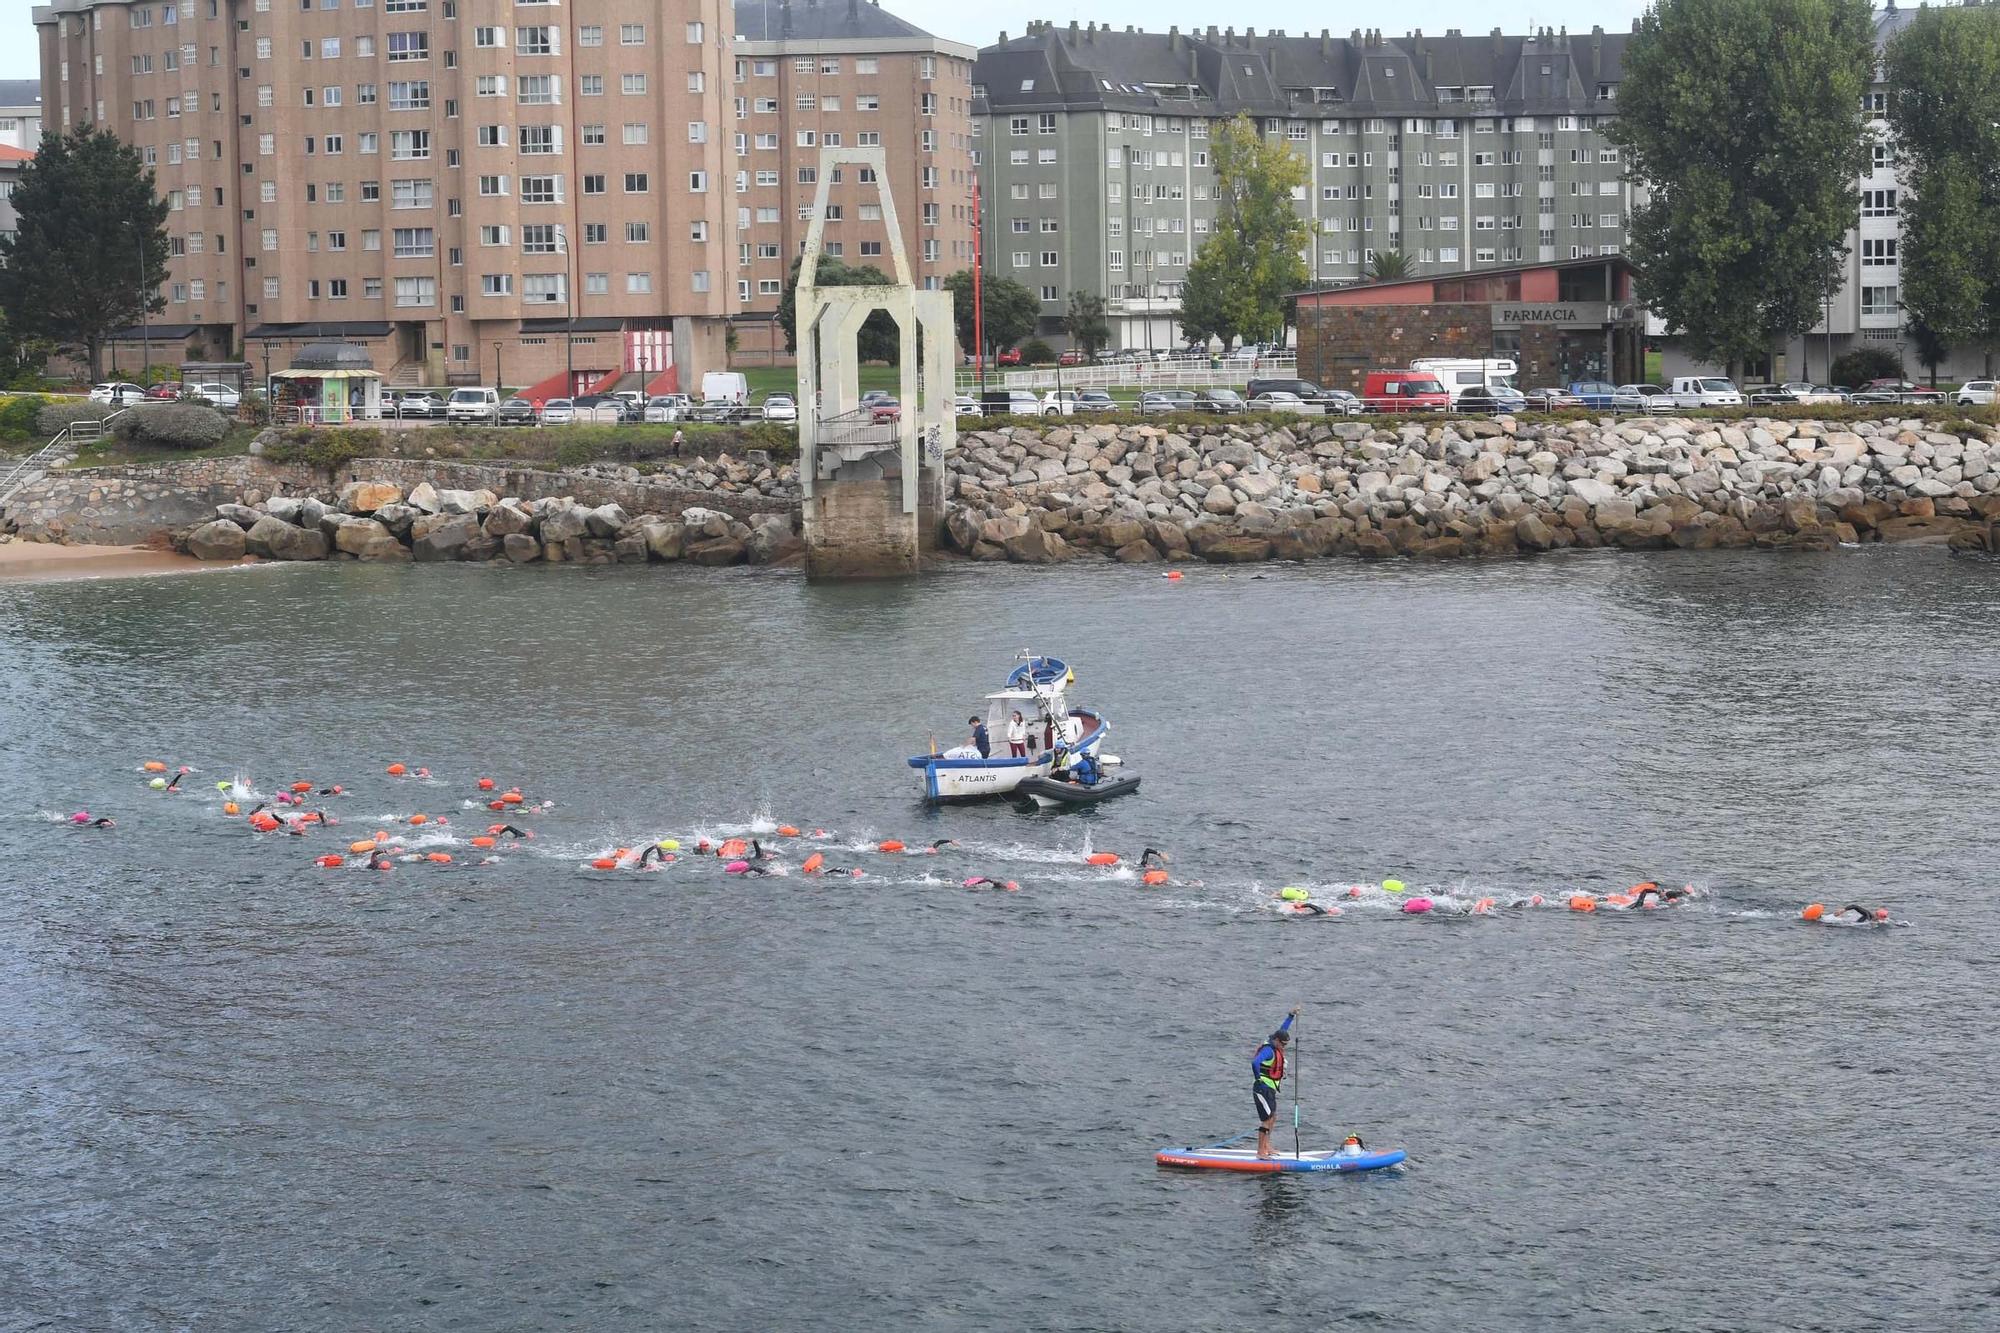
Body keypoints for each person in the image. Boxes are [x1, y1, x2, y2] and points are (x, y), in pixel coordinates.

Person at [1253, 1007, 1300, 1159]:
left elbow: (1283, 1029)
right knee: (1266, 1119)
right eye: (1283, 1045)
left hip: (1270, 1089)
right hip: (1262, 1088)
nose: (1284, 1048)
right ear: (1276, 1041)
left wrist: (1291, 1016)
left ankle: (1267, 1146)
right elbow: (1255, 1063)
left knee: (1273, 1117)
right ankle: (1261, 1152)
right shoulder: (1268, 1050)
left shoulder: (1276, 1039)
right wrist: (1259, 1080)